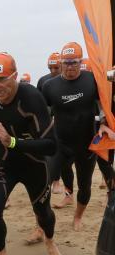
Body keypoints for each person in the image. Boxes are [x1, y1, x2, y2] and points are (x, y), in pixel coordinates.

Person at [0, 52, 63, 255]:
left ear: (14, 76)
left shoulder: (32, 98)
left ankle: (50, 241)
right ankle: (1, 254)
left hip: (34, 163)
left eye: (2, 79)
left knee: (42, 212)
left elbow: (50, 146)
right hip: (3, 161)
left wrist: (11, 140)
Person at [42, 42, 101, 231]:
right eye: (65, 63)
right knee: (44, 181)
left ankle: (77, 217)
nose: (69, 67)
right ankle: (41, 223)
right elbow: (42, 115)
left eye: (74, 62)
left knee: (85, 186)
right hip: (60, 143)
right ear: (60, 63)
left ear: (80, 61)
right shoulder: (50, 86)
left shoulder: (93, 80)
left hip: (86, 144)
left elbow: (106, 106)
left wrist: (106, 123)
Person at [37, 52, 65, 194]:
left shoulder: (68, 81)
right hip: (46, 123)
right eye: (50, 68)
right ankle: (46, 180)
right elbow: (38, 103)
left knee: (59, 152)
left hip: (63, 122)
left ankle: (56, 182)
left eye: (56, 68)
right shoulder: (44, 81)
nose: (53, 71)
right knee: (47, 151)